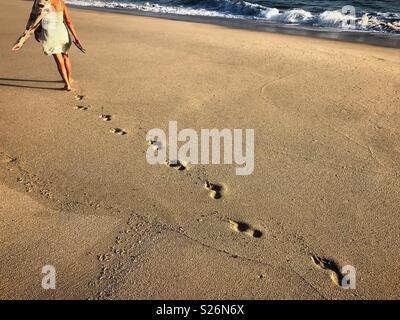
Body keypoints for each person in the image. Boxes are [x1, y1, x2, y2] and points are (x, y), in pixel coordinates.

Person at [12, 0, 84, 91]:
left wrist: (31, 35)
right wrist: (76, 37)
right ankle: (69, 79)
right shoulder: (61, 3)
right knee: (65, 57)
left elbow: (37, 20)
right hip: (62, 32)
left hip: (51, 32)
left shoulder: (45, 4)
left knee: (59, 61)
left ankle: (67, 84)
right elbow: (69, 21)